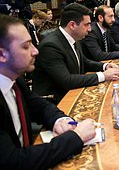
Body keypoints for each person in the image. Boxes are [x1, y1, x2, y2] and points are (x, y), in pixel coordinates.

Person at [0, 14, 97, 169]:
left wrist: (60, 120)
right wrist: (76, 137)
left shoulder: (14, 80)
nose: (35, 51)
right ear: (1, 55)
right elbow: (13, 161)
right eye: (26, 47)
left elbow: (39, 105)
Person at [32, 3, 119, 103]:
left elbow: (83, 62)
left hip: (72, 93)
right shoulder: (50, 46)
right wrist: (103, 75)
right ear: (72, 25)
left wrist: (105, 66)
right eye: (86, 24)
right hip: (55, 101)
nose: (90, 29)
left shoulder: (74, 37)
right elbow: (67, 80)